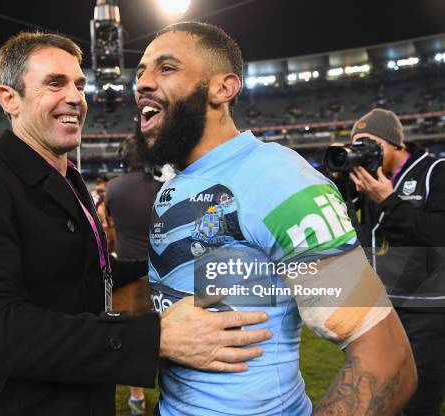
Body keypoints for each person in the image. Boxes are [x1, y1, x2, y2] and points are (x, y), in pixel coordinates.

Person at [0, 31, 272, 416]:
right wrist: (154, 338)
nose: (76, 98)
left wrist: (167, 265)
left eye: (79, 85)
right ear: (9, 98)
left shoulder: (69, 179)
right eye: (54, 83)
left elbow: (88, 270)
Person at [134, 21, 416, 415]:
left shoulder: (277, 178)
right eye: (140, 72)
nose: (143, 83)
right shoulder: (174, 186)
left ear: (223, 87)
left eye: (166, 68)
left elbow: (387, 359)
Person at [346, 108, 445, 415]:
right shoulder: (369, 177)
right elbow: (362, 235)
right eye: (356, 144)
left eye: (369, 144)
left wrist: (389, 201)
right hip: (381, 306)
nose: (362, 152)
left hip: (426, 308)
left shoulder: (435, 171)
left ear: (395, 144)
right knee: (380, 395)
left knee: (418, 401)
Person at [105, 135, 162, 415]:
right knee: (166, 333)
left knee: (131, 339)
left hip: (127, 273)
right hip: (160, 271)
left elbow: (112, 224)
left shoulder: (113, 188)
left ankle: (137, 398)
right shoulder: (163, 188)